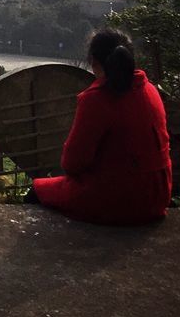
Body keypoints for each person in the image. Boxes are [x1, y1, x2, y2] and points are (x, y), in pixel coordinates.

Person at [32, 28, 172, 226]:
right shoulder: (149, 90)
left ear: (94, 62)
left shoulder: (97, 99)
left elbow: (73, 164)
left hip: (118, 199)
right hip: (157, 196)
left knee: (37, 191)